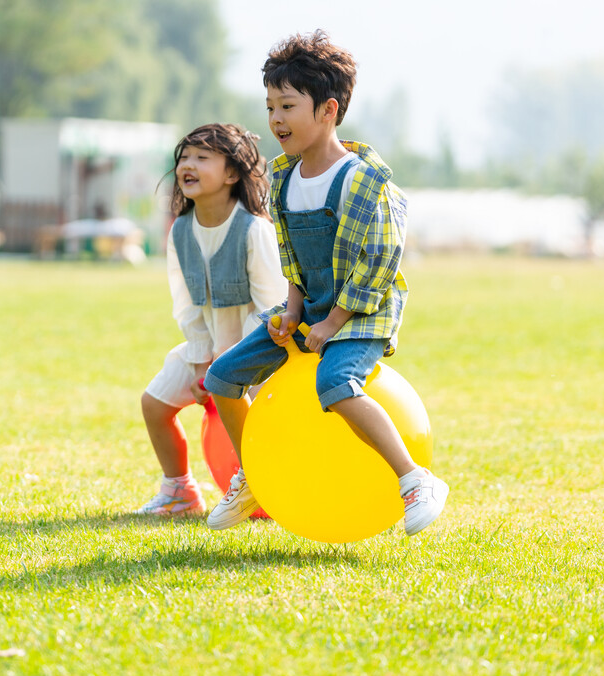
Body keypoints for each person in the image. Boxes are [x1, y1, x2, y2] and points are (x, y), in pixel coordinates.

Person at [202, 30, 450, 536]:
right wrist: (293, 311)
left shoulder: (362, 181)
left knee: (336, 385)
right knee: (223, 377)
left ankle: (415, 479)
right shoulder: (283, 178)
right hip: (311, 312)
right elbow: (293, 258)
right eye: (270, 106)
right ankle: (253, 473)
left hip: (361, 315)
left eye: (288, 106)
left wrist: (335, 321)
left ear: (328, 110)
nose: (275, 120)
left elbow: (380, 261)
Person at [137, 123, 286, 516]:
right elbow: (185, 304)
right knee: (154, 404)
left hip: (261, 356)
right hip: (207, 351)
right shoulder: (181, 231)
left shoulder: (255, 231)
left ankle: (272, 490)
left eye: (202, 157)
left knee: (263, 427)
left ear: (232, 174)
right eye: (184, 157)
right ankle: (179, 491)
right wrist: (204, 362)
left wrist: (231, 366)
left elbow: (272, 306)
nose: (188, 164)